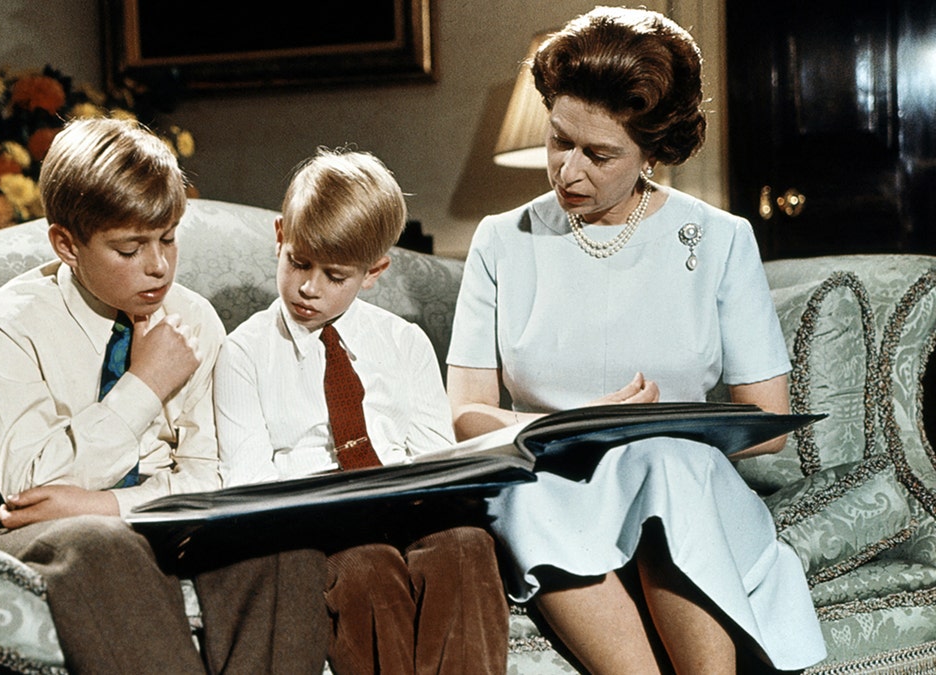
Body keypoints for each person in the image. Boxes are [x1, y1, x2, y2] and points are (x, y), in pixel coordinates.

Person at [445, 8, 827, 675]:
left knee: (664, 462)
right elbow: (465, 415)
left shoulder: (721, 239)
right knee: (523, 495)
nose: (568, 172)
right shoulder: (501, 240)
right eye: (559, 141)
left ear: (653, 152)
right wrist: (580, 423)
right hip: (553, 487)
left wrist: (647, 434)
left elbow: (768, 422)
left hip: (684, 487)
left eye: (598, 155)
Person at [0, 117, 328, 674]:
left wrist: (107, 505)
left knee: (283, 545)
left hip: (154, 512)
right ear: (67, 245)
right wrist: (146, 383)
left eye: (168, 239)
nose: (158, 266)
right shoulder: (9, 324)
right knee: (101, 545)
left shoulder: (194, 318)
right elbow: (30, 486)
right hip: (17, 524)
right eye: (129, 249)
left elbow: (216, 478)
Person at [214, 148, 509, 675]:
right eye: (298, 263)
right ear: (280, 237)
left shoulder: (404, 342)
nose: (309, 288)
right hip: (317, 526)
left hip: (404, 509)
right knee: (366, 568)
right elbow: (250, 486)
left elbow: (436, 464)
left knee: (466, 545)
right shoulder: (243, 353)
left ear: (373, 272)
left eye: (335, 276)